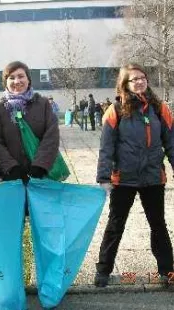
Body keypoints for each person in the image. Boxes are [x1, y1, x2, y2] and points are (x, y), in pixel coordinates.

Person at [95, 63, 174, 287]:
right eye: (133, 79)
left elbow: (171, 143)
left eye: (142, 77)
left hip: (153, 178)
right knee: (115, 225)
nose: (139, 81)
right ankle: (102, 271)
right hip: (123, 179)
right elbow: (106, 147)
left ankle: (168, 273)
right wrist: (103, 177)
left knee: (158, 224)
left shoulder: (160, 109)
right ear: (125, 84)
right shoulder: (116, 109)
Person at [0, 60, 59, 185]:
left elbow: (51, 137)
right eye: (11, 78)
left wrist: (40, 165)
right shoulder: (0, 109)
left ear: (28, 80)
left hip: (41, 175)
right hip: (12, 177)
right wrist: (11, 167)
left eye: (21, 76)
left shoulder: (43, 104)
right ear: (6, 83)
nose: (17, 81)